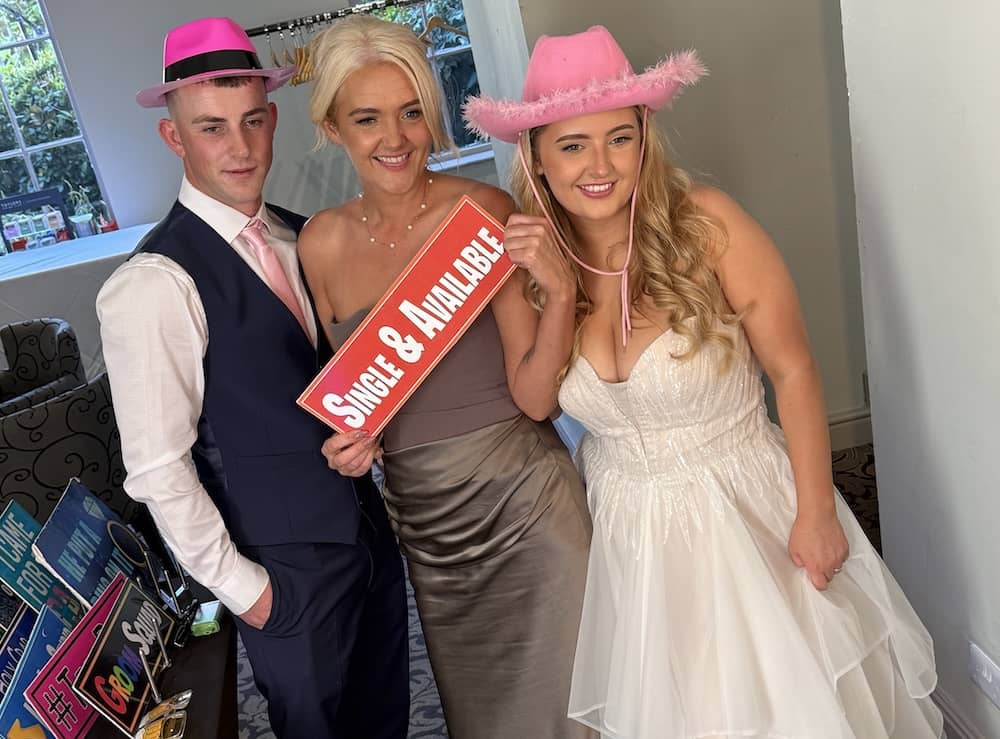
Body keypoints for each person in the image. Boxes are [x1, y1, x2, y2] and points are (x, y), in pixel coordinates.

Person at [466, 25, 944, 739]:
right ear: (534, 155)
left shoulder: (706, 225)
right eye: (572, 144)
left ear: (644, 136)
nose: (600, 164)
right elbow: (535, 399)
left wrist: (816, 508)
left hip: (747, 507)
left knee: (787, 705)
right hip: (632, 530)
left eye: (619, 138)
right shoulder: (526, 264)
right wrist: (560, 295)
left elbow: (793, 367)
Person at [97, 17, 408, 739]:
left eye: (252, 122)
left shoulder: (309, 236)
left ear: (272, 122)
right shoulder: (154, 283)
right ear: (175, 138)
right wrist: (251, 593)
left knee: (386, 718)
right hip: (282, 575)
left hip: (368, 538)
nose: (238, 147)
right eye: (211, 128)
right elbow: (157, 471)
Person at [300, 15, 593, 739]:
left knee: (572, 715)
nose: (394, 138)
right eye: (367, 119)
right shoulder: (319, 244)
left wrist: (557, 295)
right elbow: (352, 397)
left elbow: (535, 397)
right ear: (334, 127)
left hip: (530, 513)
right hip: (429, 531)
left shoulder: (481, 212)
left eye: (410, 113)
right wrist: (344, 443)